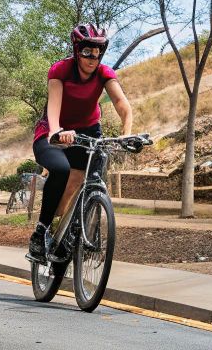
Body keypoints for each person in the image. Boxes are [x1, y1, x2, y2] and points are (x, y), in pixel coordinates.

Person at [27, 24, 133, 263]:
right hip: (52, 133)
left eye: (98, 53)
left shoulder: (105, 73)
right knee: (63, 170)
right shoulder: (60, 70)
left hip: (88, 132)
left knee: (87, 180)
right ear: (77, 51)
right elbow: (54, 106)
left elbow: (122, 105)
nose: (92, 59)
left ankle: (77, 232)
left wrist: (126, 133)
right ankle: (42, 230)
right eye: (87, 52)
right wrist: (57, 132)